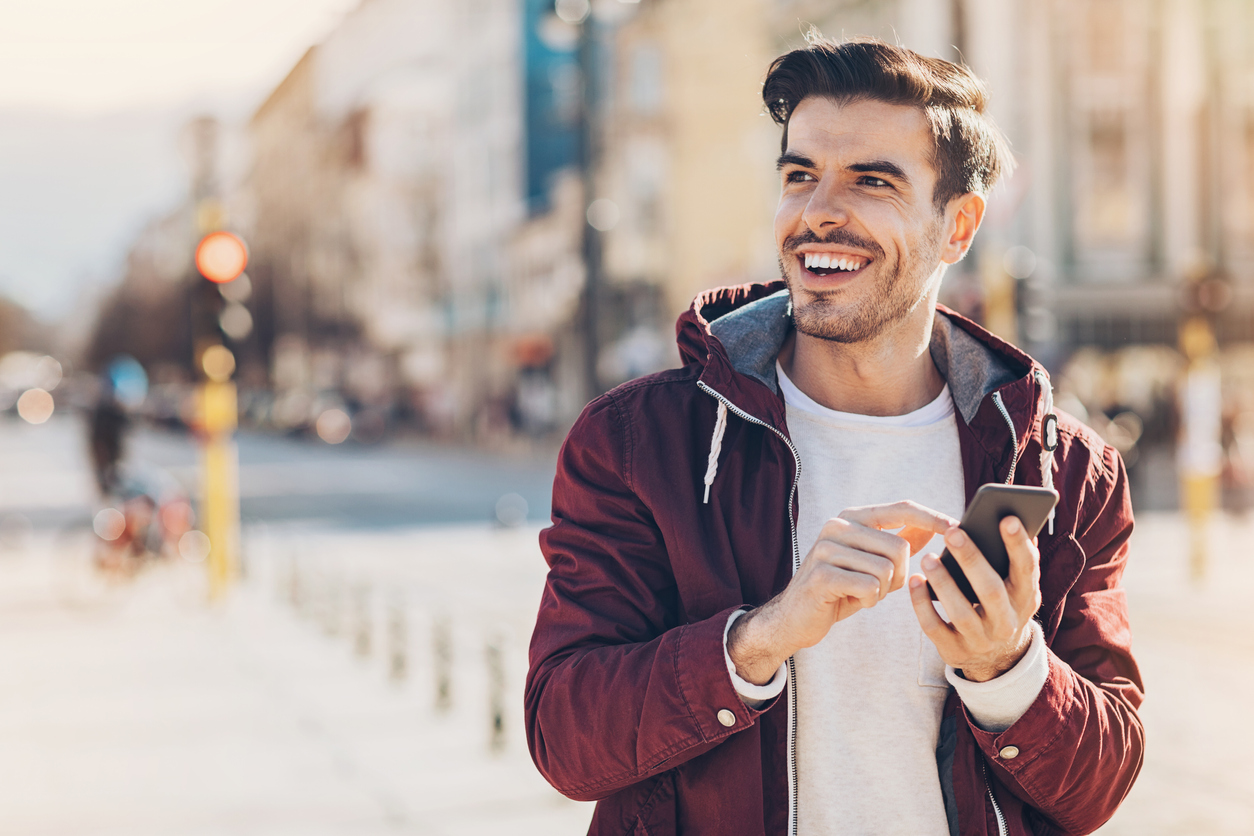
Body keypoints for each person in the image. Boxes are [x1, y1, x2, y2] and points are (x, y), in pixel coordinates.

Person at [526, 36, 1143, 836]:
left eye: (871, 181)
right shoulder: (640, 444)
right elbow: (563, 740)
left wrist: (1006, 668)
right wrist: (759, 639)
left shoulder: (1064, 471)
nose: (818, 211)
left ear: (958, 227)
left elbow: (1101, 786)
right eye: (799, 175)